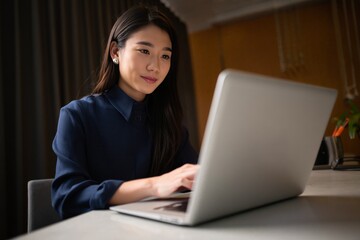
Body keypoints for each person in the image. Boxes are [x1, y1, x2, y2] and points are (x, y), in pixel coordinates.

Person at [51, 5, 199, 219]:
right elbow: (67, 197)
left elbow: (195, 182)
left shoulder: (169, 122)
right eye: (144, 51)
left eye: (165, 56)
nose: (155, 67)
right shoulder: (77, 115)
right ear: (115, 52)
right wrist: (153, 185)